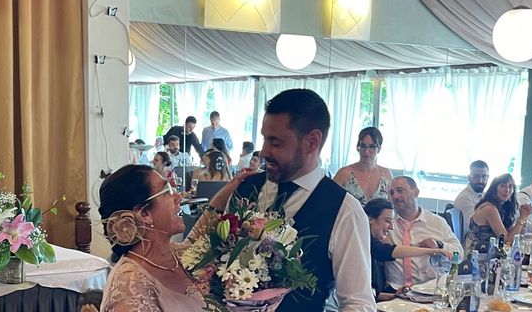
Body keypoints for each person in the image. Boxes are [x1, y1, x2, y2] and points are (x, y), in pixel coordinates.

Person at [229, 88, 375, 311]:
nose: (264, 152)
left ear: (312, 142)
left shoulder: (345, 210)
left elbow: (357, 302)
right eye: (264, 139)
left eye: (275, 142)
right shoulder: (245, 189)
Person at [98, 165, 206, 311]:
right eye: (167, 191)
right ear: (144, 214)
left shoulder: (173, 254)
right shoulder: (130, 286)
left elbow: (198, 239)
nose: (178, 197)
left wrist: (227, 194)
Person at [364, 198, 451, 302]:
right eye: (387, 221)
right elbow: (394, 251)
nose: (391, 227)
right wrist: (432, 251)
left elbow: (372, 293)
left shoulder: (370, 240)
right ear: (370, 219)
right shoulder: (363, 241)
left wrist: (395, 296)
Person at [384, 176, 463, 290]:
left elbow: (459, 254)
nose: (395, 196)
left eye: (400, 191)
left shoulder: (437, 222)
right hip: (396, 289)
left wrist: (439, 245)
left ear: (415, 192)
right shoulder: (387, 223)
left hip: (430, 289)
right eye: (392, 193)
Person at [464, 173, 532, 255]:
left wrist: (524, 218)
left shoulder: (501, 207)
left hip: (489, 253)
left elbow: (516, 236)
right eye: (502, 186)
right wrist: (522, 217)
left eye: (510, 186)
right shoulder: (490, 209)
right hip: (476, 257)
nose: (507, 190)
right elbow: (507, 241)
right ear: (494, 188)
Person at [333, 127, 393, 205]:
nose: (366, 151)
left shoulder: (386, 174)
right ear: (358, 147)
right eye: (363, 146)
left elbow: (392, 207)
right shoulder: (344, 173)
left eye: (372, 146)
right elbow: (329, 201)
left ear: (379, 148)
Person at [453, 160, 489, 235]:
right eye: (476, 176)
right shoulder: (465, 198)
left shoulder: (483, 195)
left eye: (484, 176)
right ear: (469, 177)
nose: (480, 180)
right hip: (470, 244)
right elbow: (473, 228)